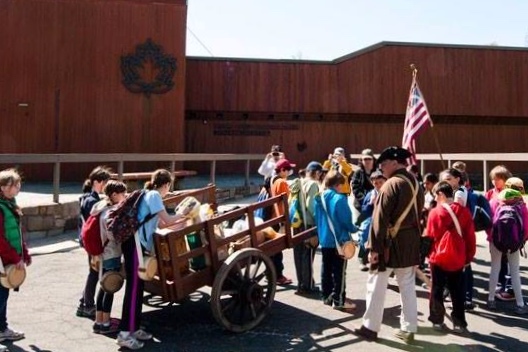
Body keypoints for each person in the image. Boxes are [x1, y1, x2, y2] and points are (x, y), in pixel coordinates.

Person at [354, 146, 424, 343]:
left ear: (395, 163)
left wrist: (374, 248)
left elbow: (379, 219)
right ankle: (409, 329)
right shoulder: (415, 182)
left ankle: (370, 328)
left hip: (388, 244)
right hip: (410, 241)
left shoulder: (390, 184)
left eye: (384, 164)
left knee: (375, 285)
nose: (382, 168)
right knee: (408, 286)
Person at [117, 169, 188, 350]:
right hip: (135, 245)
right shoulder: (155, 195)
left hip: (136, 245)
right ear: (166, 184)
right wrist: (184, 213)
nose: (168, 191)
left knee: (138, 287)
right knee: (133, 289)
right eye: (169, 187)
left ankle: (134, 327)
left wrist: (182, 223)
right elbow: (168, 219)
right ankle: (125, 333)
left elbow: (163, 224)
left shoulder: (149, 196)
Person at [426, 181, 476, 334]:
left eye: (436, 195)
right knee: (457, 291)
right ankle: (459, 323)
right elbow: (470, 238)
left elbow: (429, 237)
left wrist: (427, 255)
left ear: (441, 194)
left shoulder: (435, 212)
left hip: (438, 258)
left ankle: (437, 320)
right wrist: (468, 257)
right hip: (458, 258)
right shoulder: (464, 211)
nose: (435, 198)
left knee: (437, 289)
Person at [314, 169, 358, 311]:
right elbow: (346, 221)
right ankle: (338, 300)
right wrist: (354, 229)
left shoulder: (319, 197)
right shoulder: (339, 199)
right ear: (338, 184)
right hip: (339, 240)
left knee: (326, 268)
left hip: (325, 239)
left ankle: (326, 296)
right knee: (339, 271)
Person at [486, 177, 528, 314]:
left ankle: (491, 299)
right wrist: (521, 240)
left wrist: (491, 237)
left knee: (495, 268)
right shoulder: (521, 205)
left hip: (495, 241)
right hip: (514, 242)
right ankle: (520, 304)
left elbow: (488, 221)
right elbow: (526, 228)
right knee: (515, 271)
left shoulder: (494, 200)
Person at [91, 180, 127, 335]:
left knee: (103, 287)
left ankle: (98, 321)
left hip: (102, 253)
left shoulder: (100, 208)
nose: (124, 196)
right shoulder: (111, 212)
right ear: (114, 195)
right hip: (111, 253)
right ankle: (106, 323)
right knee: (110, 288)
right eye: (122, 194)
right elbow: (113, 235)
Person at [0, 169, 30, 351]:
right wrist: (14, 257)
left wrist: (23, 254)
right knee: (1, 296)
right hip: (3, 261)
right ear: (3, 188)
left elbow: (16, 234)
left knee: (3, 294)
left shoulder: (10, 204)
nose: (18, 187)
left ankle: (2, 329)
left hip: (9, 260)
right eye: (14, 184)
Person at [77, 166, 112, 318]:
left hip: (86, 241)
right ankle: (88, 305)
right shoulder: (92, 200)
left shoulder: (87, 197)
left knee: (93, 270)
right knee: (94, 272)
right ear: (98, 182)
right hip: (92, 242)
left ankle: (84, 302)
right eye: (105, 182)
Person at [292, 161, 323, 295]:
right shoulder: (313, 185)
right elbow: (313, 207)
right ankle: (308, 284)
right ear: (316, 172)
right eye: (320, 173)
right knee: (308, 255)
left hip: (296, 223)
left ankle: (301, 283)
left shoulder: (297, 183)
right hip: (308, 225)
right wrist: (320, 222)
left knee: (298, 255)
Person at [485, 165, 514, 301]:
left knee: (508, 261)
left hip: (508, 234)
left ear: (505, 179)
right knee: (498, 262)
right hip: (493, 234)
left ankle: (509, 288)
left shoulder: (511, 193)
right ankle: (500, 285)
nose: (495, 181)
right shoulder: (490, 193)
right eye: (493, 179)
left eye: (498, 179)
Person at [269, 159, 295, 286]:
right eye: (288, 170)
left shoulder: (273, 180)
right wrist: (284, 221)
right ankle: (278, 275)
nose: (289, 172)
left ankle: (272, 274)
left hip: (272, 217)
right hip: (278, 218)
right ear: (282, 170)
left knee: (272, 250)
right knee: (277, 250)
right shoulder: (282, 183)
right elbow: (285, 203)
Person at [357, 171, 386, 271]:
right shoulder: (370, 194)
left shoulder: (388, 193)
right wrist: (370, 203)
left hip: (383, 220)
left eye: (380, 182)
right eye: (375, 183)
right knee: (364, 234)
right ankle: (362, 258)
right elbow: (364, 210)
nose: (378, 185)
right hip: (371, 218)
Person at [350, 148, 376, 224]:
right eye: (365, 159)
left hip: (375, 205)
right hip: (360, 206)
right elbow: (355, 189)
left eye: (369, 159)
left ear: (373, 160)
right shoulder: (358, 173)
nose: (367, 161)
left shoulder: (378, 172)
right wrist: (366, 201)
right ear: (361, 160)